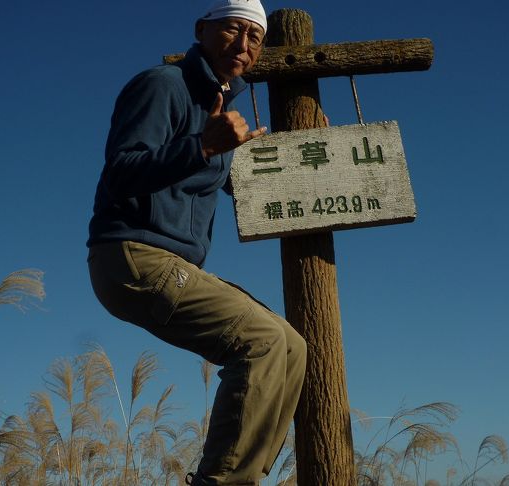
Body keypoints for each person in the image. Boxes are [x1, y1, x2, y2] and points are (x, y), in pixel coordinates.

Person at [86, 1, 307, 484]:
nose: (244, 45)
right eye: (233, 30)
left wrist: (316, 153)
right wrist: (204, 145)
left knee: (292, 347)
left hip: (169, 262)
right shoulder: (162, 86)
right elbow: (120, 170)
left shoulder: (221, 109)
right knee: (262, 341)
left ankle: (245, 475)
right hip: (132, 253)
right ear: (203, 30)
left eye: (256, 37)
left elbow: (252, 187)